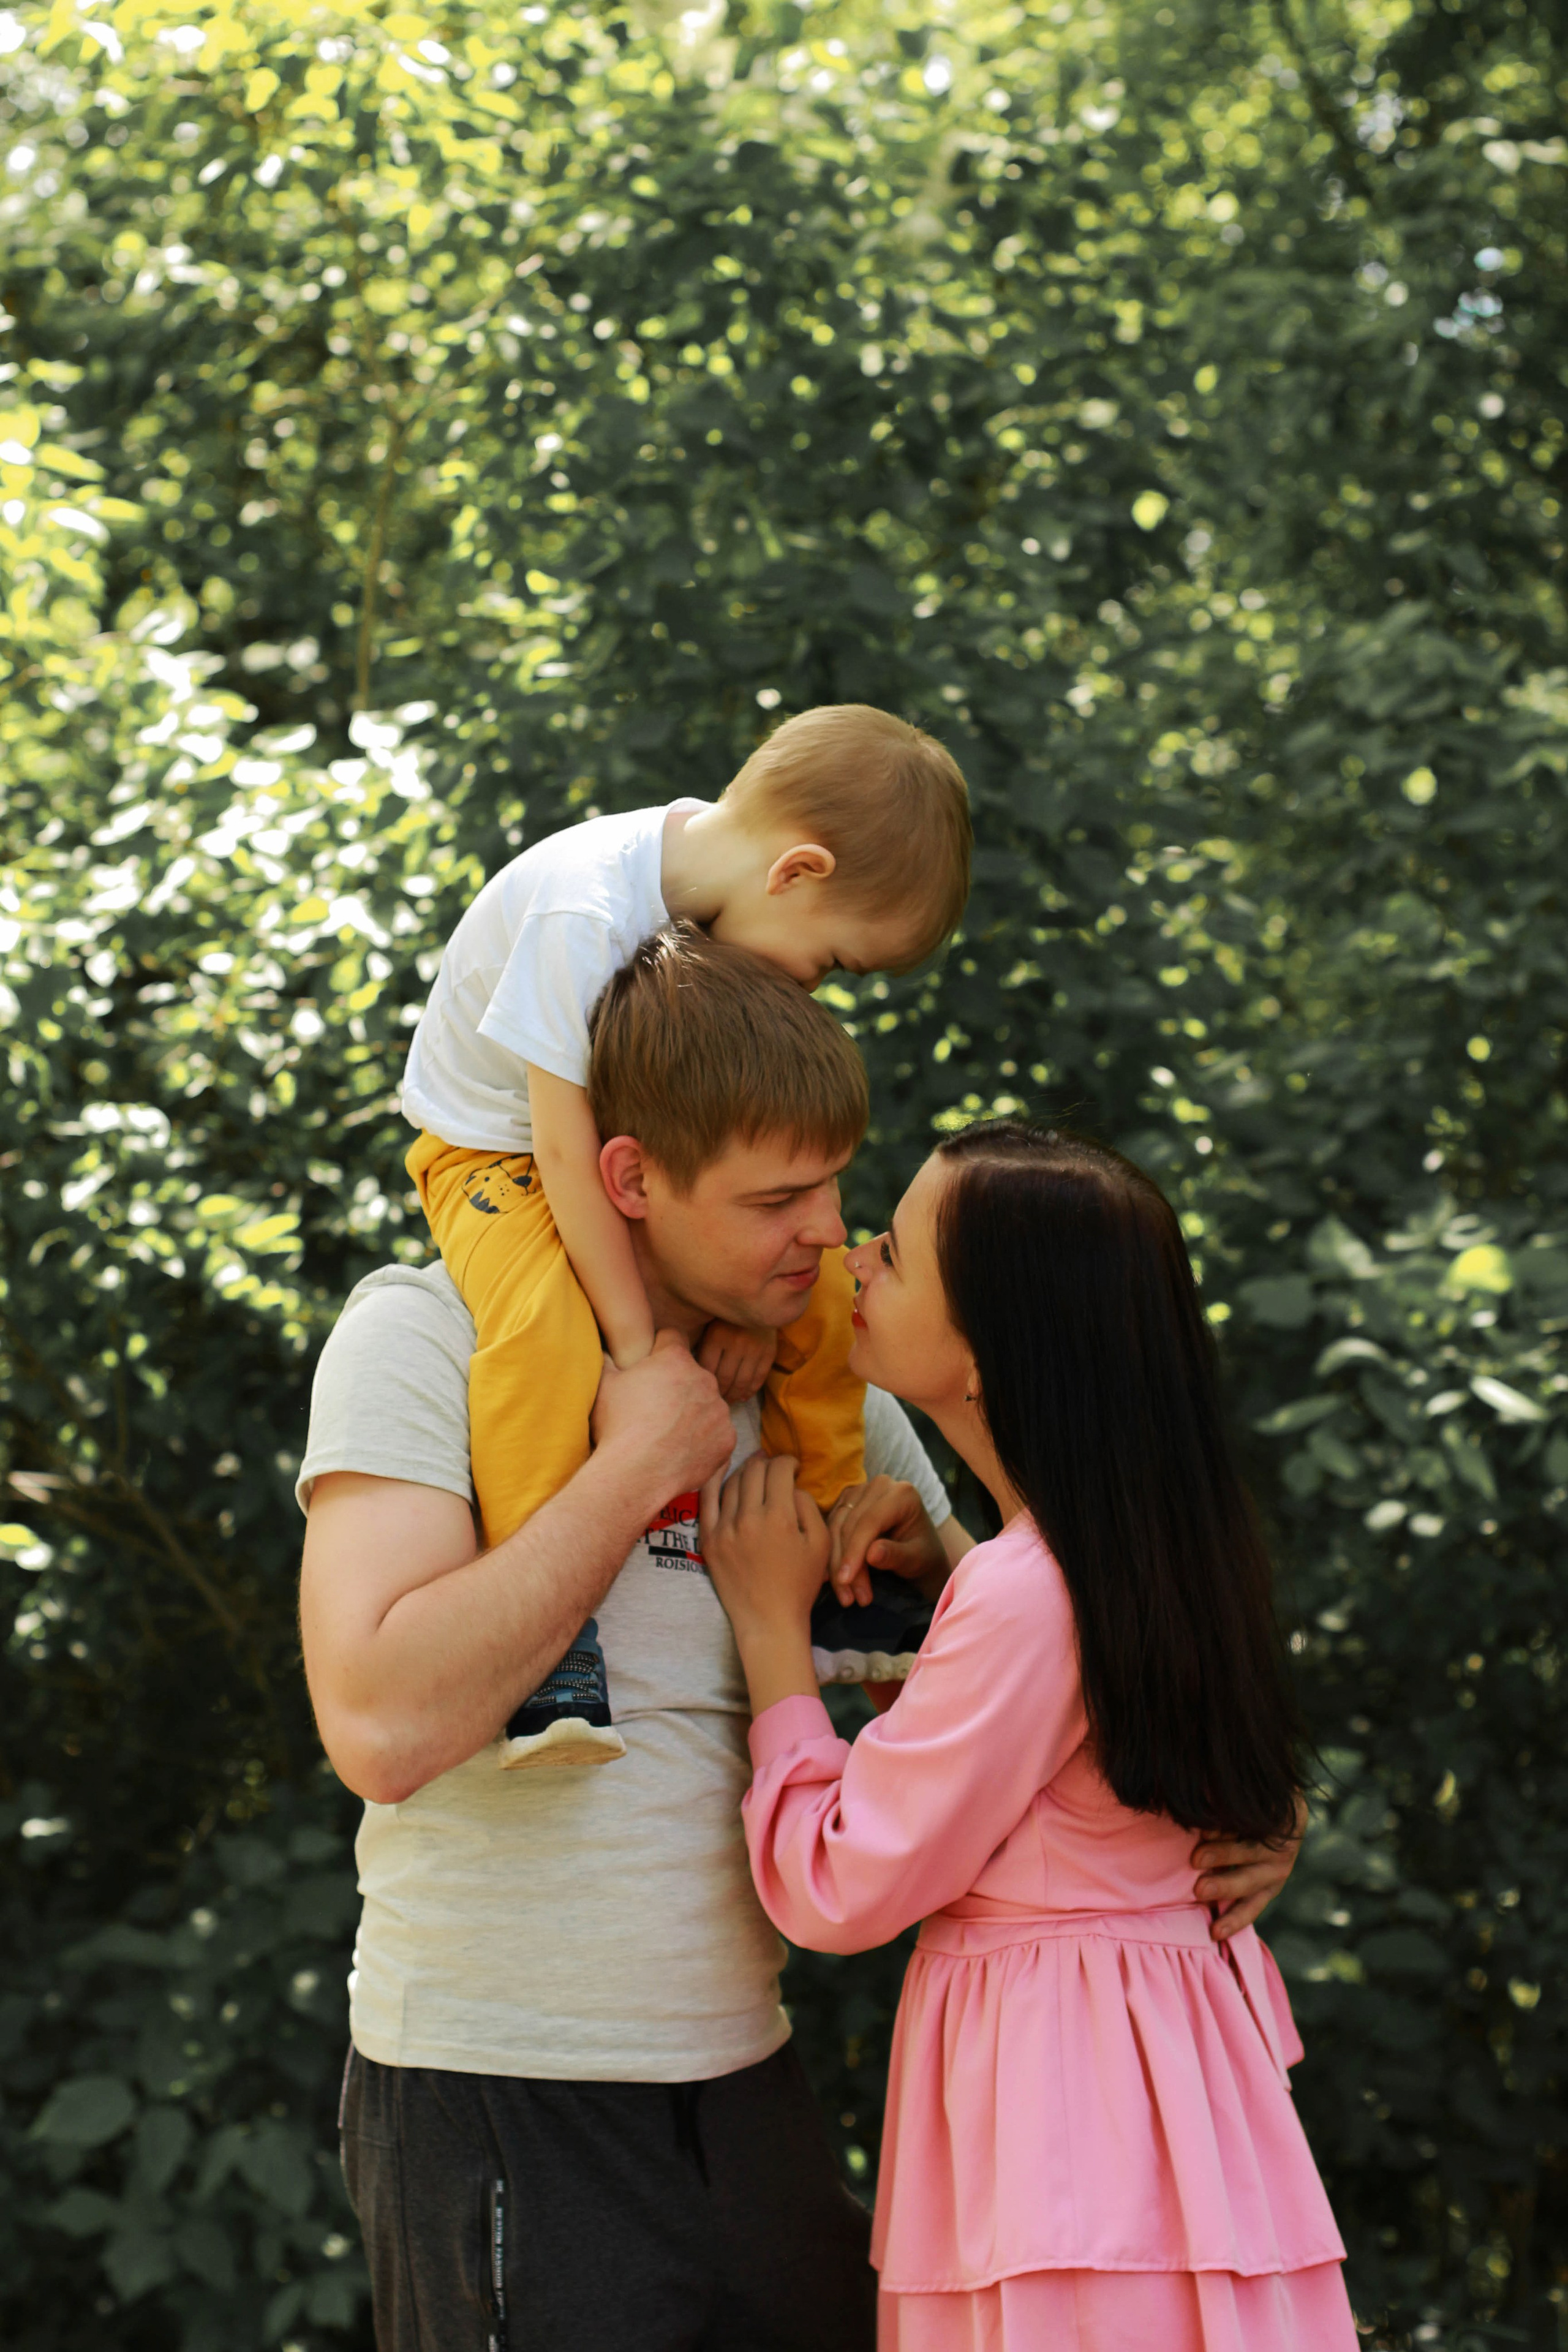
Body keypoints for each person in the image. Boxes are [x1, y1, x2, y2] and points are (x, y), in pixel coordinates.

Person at [299, 949, 1301, 2352]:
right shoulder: (424, 1335)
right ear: (632, 1178)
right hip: (502, 2082)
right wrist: (632, 1464)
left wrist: (1229, 1805)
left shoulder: (831, 1387)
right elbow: (380, 1730)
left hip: (747, 2083)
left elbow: (1040, 1656)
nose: (829, 1238)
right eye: (777, 1201)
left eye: (838, 1188)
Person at [702, 1120, 1354, 2352]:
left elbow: (842, 1883)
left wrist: (767, 1629)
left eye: (892, 1253)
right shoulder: (1147, 1548)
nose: (850, 1257)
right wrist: (946, 1556)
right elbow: (1070, 1758)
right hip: (1168, 2104)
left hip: (1068, 2127)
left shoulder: (1022, 1593)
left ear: (986, 1353)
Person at [399, 704, 973, 1765]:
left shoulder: (705, 899)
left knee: (833, 1302)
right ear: (797, 872)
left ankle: (840, 1563)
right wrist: (639, 1352)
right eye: (835, 962)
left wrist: (745, 1310)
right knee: (541, 1332)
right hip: (499, 1155)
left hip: (610, 1166)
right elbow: (572, 1157)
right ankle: (553, 1657)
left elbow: (700, 1145)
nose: (813, 985)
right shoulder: (588, 909)